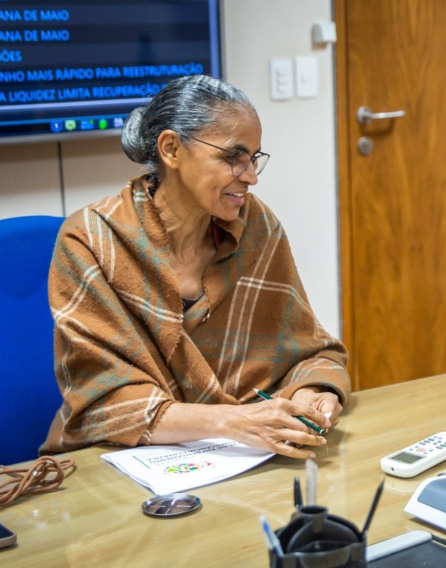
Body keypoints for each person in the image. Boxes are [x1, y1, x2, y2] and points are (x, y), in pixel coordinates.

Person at [42, 75, 351, 460]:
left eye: (253, 158)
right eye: (231, 157)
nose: (251, 177)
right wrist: (231, 422)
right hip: (117, 461)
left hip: (243, 457)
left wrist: (312, 393)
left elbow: (310, 353)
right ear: (171, 149)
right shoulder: (90, 240)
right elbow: (102, 404)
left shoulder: (255, 226)